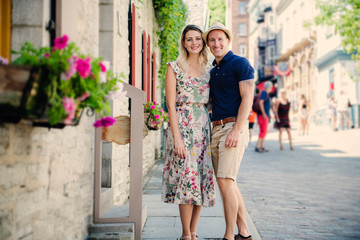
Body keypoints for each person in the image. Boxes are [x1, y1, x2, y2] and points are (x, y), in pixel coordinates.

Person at [161, 24, 216, 240]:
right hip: (182, 127)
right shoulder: (174, 67)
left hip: (203, 128)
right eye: (189, 39)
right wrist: (177, 138)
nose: (194, 43)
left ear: (202, 43)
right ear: (183, 43)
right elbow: (170, 106)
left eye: (198, 39)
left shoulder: (209, 71)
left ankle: (194, 232)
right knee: (186, 180)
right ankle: (185, 235)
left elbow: (213, 102)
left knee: (200, 180)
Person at [203, 22, 254, 240]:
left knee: (225, 181)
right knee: (229, 182)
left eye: (220, 39)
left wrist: (237, 130)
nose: (216, 43)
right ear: (208, 44)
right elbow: (213, 102)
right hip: (216, 129)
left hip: (233, 127)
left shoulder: (240, 63)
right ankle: (244, 232)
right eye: (212, 40)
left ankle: (228, 235)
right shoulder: (214, 70)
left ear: (228, 40)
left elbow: (248, 98)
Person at [255, 81, 272, 153]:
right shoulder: (264, 93)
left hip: (263, 115)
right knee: (263, 131)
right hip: (263, 115)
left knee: (264, 131)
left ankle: (262, 146)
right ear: (270, 87)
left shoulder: (265, 93)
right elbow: (261, 103)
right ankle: (258, 146)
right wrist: (264, 113)